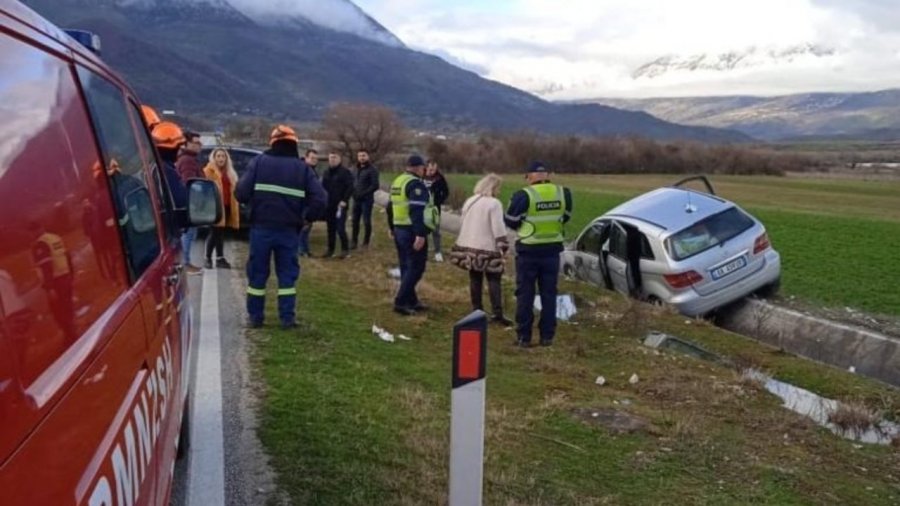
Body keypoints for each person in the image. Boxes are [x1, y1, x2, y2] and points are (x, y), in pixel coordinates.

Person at [236, 125, 327, 329]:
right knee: (287, 276)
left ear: (273, 142)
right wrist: (307, 218)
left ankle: (256, 317)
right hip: (288, 231)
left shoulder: (259, 162)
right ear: (294, 144)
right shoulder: (303, 168)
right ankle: (287, 318)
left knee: (257, 274)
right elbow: (320, 199)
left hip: (261, 228)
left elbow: (241, 193)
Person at [504, 162, 573, 348]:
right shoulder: (563, 193)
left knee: (525, 295)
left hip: (529, 251)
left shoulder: (524, 195)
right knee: (549, 295)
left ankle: (524, 337)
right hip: (552, 251)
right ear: (547, 175)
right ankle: (547, 337)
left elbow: (510, 221)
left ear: (530, 176)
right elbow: (565, 217)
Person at [449, 174, 513, 326]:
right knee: (494, 280)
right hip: (487, 248)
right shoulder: (494, 204)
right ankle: (497, 314)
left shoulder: (470, 201)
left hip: (469, 246)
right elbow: (497, 227)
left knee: (475, 278)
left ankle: (477, 311)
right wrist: (503, 246)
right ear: (494, 187)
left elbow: (462, 222)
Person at [386, 155, 438, 316]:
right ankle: (401, 301)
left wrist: (391, 226)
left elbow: (390, 206)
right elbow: (417, 211)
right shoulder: (415, 184)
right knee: (416, 267)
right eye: (423, 167)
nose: (424, 170)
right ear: (417, 167)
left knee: (405, 266)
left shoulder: (398, 181)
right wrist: (420, 234)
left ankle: (411, 299)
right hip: (411, 231)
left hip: (399, 229)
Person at [203, 148, 240, 269]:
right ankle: (207, 258)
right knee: (214, 232)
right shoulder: (208, 171)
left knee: (221, 233)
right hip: (215, 206)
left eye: (223, 156)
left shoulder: (230, 172)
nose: (221, 159)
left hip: (227, 205)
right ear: (213, 158)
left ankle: (220, 258)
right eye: (218, 156)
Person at [175, 131, 204, 274]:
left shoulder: (189, 159)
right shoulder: (188, 160)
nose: (200, 146)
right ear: (187, 144)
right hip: (190, 204)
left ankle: (185, 261)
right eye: (196, 143)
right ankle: (185, 263)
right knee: (188, 234)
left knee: (190, 234)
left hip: (189, 203)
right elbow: (189, 182)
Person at [321, 151, 354, 258]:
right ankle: (330, 250)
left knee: (340, 228)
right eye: (330, 158)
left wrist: (345, 200)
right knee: (330, 228)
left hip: (340, 205)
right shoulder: (326, 172)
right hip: (329, 205)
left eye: (334, 158)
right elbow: (323, 187)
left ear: (339, 159)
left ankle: (345, 250)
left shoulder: (345, 172)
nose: (332, 160)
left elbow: (350, 187)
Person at [351, 149, 379, 250]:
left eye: (363, 156)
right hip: (356, 199)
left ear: (368, 156)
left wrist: (364, 193)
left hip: (366, 200)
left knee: (366, 221)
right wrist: (353, 193)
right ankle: (354, 241)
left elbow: (375, 185)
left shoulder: (372, 170)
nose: (361, 158)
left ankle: (366, 242)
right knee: (355, 221)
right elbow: (352, 182)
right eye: (360, 156)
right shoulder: (355, 169)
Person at [424, 160, 449, 263]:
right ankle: (423, 251)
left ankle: (438, 252)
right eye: (430, 169)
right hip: (422, 207)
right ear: (427, 167)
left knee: (435, 230)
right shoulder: (421, 176)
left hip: (434, 209)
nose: (432, 171)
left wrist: (439, 200)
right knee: (422, 230)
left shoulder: (439, 178)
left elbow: (446, 192)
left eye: (434, 169)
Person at [298, 149, 319, 257]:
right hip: (303, 202)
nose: (314, 160)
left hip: (310, 203)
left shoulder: (312, 170)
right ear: (306, 158)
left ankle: (305, 249)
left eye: (316, 159)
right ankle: (301, 250)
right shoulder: (303, 169)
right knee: (303, 227)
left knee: (308, 227)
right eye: (312, 158)